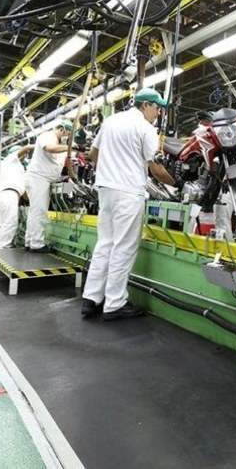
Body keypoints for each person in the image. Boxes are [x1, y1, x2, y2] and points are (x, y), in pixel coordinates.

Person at [82, 89, 174, 321]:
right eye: (157, 108)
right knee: (124, 247)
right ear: (145, 105)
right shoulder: (145, 128)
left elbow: (93, 154)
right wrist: (177, 185)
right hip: (129, 192)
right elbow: (155, 168)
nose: (158, 113)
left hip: (106, 190)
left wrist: (109, 170)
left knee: (105, 243)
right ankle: (114, 303)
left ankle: (91, 298)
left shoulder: (111, 121)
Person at [24, 120, 73, 253]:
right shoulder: (48, 136)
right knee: (39, 211)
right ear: (62, 129)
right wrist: (70, 147)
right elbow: (49, 148)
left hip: (45, 180)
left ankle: (29, 241)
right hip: (38, 178)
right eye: (68, 134)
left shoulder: (60, 145)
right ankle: (37, 244)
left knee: (35, 212)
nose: (67, 137)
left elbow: (62, 165)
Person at [0, 145, 33, 249]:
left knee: (2, 222)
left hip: (7, 195)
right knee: (10, 221)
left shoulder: (16, 166)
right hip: (9, 194)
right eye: (25, 154)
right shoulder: (10, 159)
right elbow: (25, 148)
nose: (26, 156)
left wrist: (29, 200)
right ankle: (4, 247)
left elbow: (22, 187)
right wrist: (35, 146)